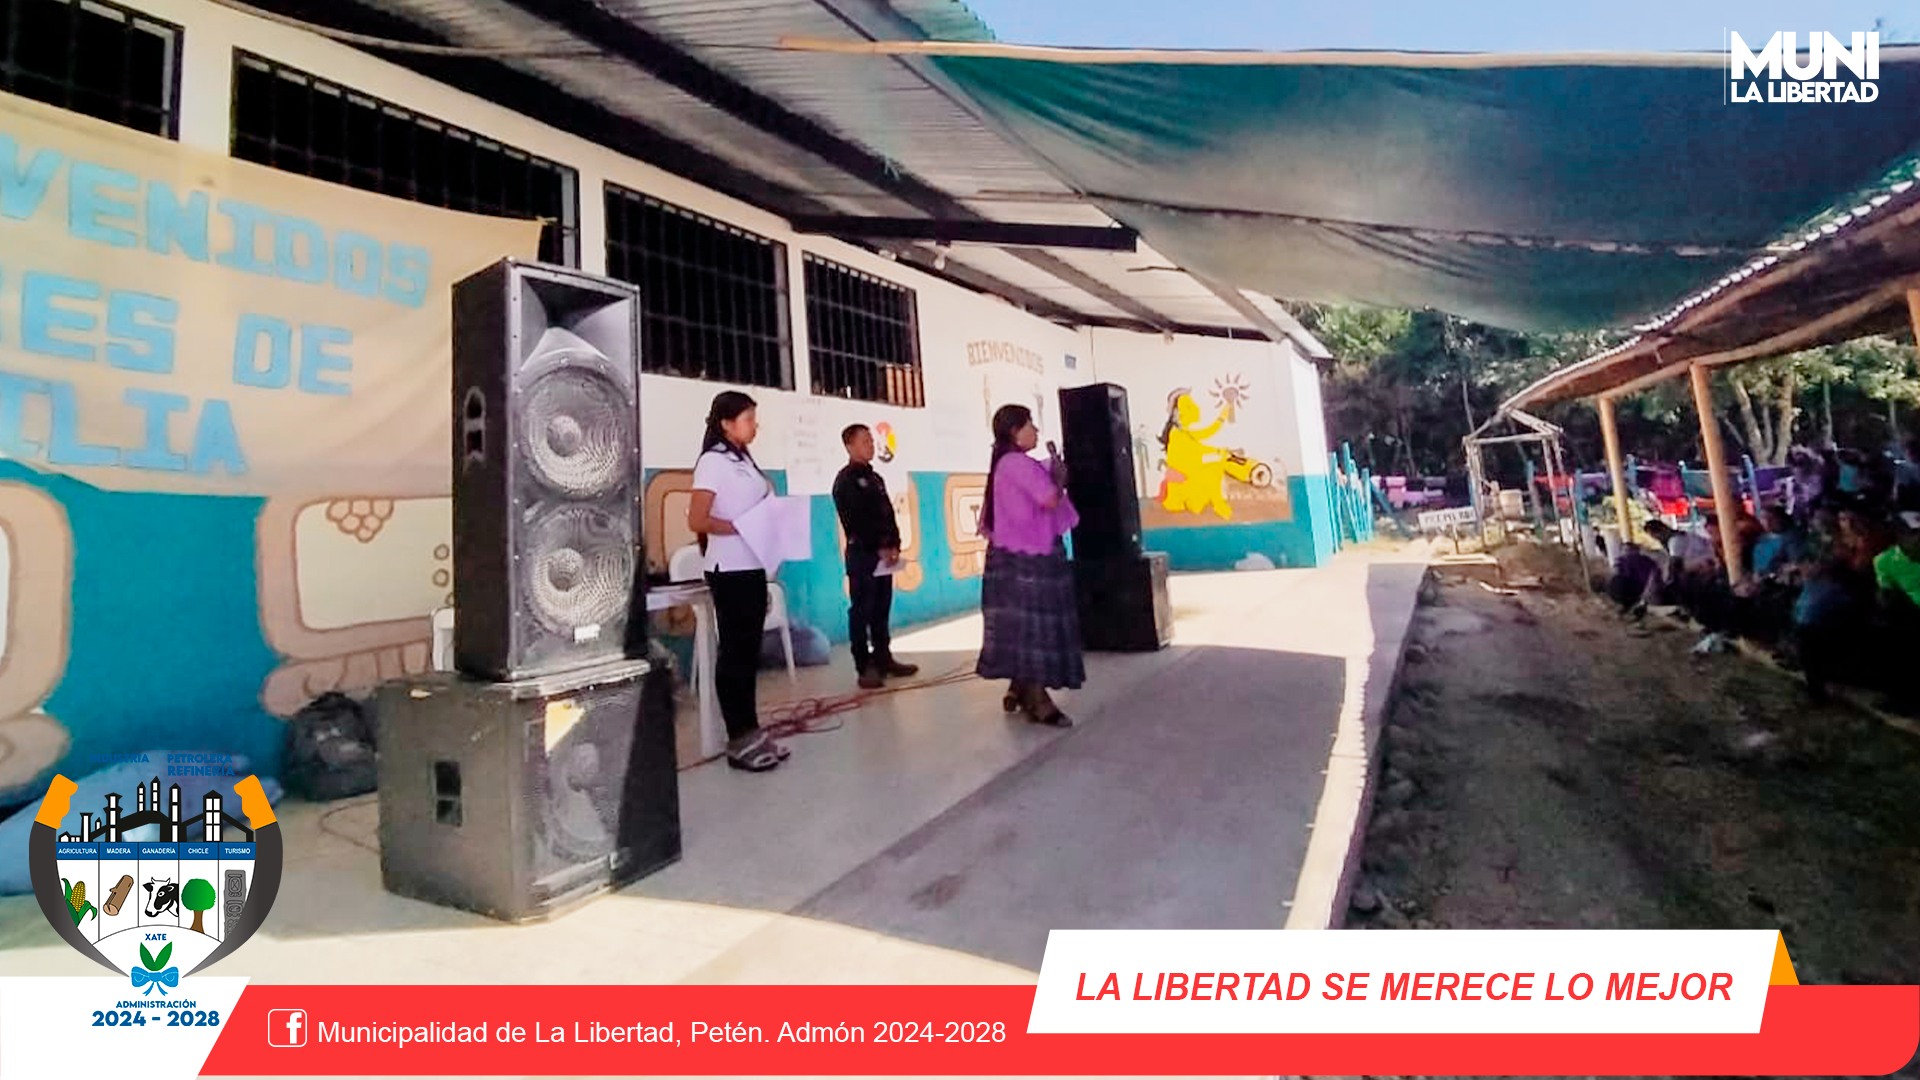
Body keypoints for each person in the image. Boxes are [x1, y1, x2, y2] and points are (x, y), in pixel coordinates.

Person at [686, 391, 789, 773]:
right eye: (748, 419)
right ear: (727, 423)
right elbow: (697, 520)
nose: (754, 426)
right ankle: (738, 738)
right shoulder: (712, 462)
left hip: (752, 566)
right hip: (728, 569)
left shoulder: (743, 459)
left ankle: (752, 730)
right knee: (734, 653)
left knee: (749, 653)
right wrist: (741, 528)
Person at [975, 404, 1083, 727]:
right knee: (1035, 631)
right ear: (1014, 432)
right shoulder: (1015, 463)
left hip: (1018, 557)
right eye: (1029, 424)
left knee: (1022, 629)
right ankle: (1038, 700)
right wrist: (1059, 482)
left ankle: (1020, 687)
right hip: (1027, 562)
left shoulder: (1010, 463)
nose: (1035, 430)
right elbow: (1048, 498)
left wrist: (1054, 469)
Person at [832, 424, 919, 690]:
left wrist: (894, 544)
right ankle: (864, 666)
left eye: (871, 440)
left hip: (884, 555)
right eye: (864, 441)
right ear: (849, 446)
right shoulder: (846, 481)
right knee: (862, 609)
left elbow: (887, 515)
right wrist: (877, 546)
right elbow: (856, 521)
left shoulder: (876, 478)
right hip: (863, 555)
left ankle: (884, 658)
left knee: (882, 607)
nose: (871, 445)